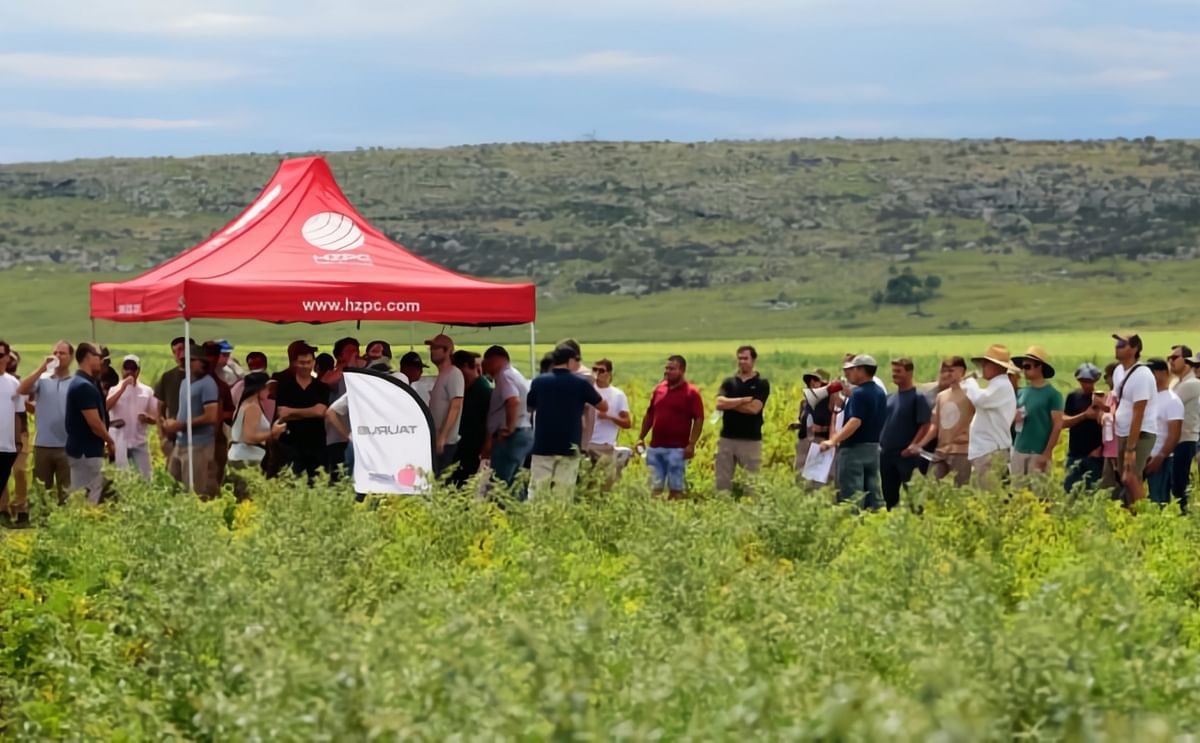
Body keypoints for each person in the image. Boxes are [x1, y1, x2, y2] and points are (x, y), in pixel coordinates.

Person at [527, 344, 607, 497]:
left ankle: (535, 519)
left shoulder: (539, 382)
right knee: (563, 491)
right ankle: (559, 520)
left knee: (537, 490)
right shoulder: (581, 383)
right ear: (570, 361)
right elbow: (603, 406)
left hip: (543, 444)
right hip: (569, 445)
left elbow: (530, 407)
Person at [820, 354, 887, 509]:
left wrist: (833, 440)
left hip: (854, 449)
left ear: (862, 371)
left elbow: (855, 421)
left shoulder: (859, 393)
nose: (850, 373)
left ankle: (852, 526)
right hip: (874, 448)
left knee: (852, 495)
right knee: (873, 493)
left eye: (854, 369)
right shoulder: (879, 392)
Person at [636, 355, 704, 500]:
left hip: (678, 449)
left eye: (672, 369)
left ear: (682, 370)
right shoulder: (659, 389)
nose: (667, 371)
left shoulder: (691, 392)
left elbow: (698, 419)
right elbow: (650, 414)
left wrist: (691, 444)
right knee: (654, 488)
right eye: (666, 368)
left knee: (676, 489)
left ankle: (676, 516)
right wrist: (641, 437)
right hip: (655, 448)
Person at [17, 340, 74, 503]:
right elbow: (22, 389)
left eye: (62, 353)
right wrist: (43, 367)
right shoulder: (42, 380)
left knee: (67, 493)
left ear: (71, 358)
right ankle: (42, 524)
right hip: (43, 445)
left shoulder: (75, 383)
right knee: (42, 493)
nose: (57, 356)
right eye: (55, 352)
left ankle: (66, 525)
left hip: (67, 446)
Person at [162, 344, 221, 498]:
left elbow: (211, 416)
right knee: (171, 484)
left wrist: (180, 425)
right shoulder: (184, 383)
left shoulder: (208, 384)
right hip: (181, 443)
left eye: (191, 360)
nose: (186, 363)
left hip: (198, 445)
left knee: (194, 490)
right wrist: (172, 423)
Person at [878, 357, 933, 510]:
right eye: (893, 371)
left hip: (906, 456)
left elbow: (925, 424)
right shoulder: (890, 398)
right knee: (889, 495)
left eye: (898, 371)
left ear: (909, 372)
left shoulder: (918, 397)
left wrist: (913, 445)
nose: (894, 375)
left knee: (914, 496)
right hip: (886, 455)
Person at [714, 345, 771, 493]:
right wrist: (742, 400)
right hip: (727, 438)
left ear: (753, 360)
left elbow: (754, 409)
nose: (742, 362)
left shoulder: (761, 383)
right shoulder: (728, 382)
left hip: (750, 439)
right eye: (739, 358)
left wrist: (730, 404)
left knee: (751, 482)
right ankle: (724, 506)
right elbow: (719, 403)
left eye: (745, 358)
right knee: (722, 480)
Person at [961, 344, 1018, 487]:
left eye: (985, 364)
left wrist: (970, 382)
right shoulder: (997, 385)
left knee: (990, 494)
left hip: (991, 450)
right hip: (987, 449)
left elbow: (980, 400)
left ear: (995, 366)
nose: (982, 367)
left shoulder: (1001, 385)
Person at [64, 343, 114, 505]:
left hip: (85, 450)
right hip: (85, 451)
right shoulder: (83, 386)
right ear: (88, 357)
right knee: (88, 495)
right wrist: (110, 441)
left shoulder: (86, 383)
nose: (101, 361)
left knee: (85, 493)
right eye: (99, 357)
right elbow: (94, 423)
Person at [274, 340, 330, 484]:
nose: (305, 366)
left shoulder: (321, 387)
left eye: (308, 362)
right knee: (292, 483)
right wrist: (309, 411)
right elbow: (281, 413)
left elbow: (320, 411)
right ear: (294, 363)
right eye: (301, 362)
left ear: (313, 362)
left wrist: (292, 412)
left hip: (317, 445)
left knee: (317, 483)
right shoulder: (284, 386)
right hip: (290, 444)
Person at [1112, 333, 1158, 505]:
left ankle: (1144, 516)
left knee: (1131, 477)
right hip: (1122, 432)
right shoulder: (1118, 371)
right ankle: (1130, 516)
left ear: (1134, 349)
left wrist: (1131, 448)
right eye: (1117, 344)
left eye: (1122, 344)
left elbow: (1138, 413)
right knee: (1123, 478)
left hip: (1140, 434)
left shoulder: (1142, 375)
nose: (1117, 347)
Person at [915, 357, 974, 486]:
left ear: (962, 372)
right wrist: (919, 444)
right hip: (941, 450)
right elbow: (934, 426)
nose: (947, 374)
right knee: (932, 485)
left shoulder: (971, 394)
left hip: (962, 451)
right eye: (944, 371)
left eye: (951, 370)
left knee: (960, 490)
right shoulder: (941, 396)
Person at [481, 345, 533, 488]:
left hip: (512, 436)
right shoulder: (515, 374)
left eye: (485, 362)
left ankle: (504, 510)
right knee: (515, 483)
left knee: (502, 483)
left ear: (494, 360)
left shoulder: (504, 375)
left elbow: (512, 401)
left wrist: (509, 428)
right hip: (523, 431)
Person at [227, 372, 287, 497]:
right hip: (247, 459)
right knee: (247, 498)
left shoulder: (243, 404)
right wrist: (273, 432)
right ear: (259, 388)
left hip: (240, 456)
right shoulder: (253, 407)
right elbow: (249, 437)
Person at [1009, 346, 1065, 477]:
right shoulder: (1021, 393)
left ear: (1039, 367)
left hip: (1038, 452)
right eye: (1023, 367)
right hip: (1019, 449)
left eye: (1027, 367)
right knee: (1017, 492)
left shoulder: (1053, 394)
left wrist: (1047, 453)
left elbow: (1057, 426)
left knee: (1039, 494)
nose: (1024, 371)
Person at [104, 354, 158, 480]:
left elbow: (155, 417)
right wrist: (123, 387)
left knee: (146, 477)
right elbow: (106, 407)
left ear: (138, 371)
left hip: (139, 441)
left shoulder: (147, 391)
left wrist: (147, 418)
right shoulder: (114, 389)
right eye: (126, 368)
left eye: (132, 369)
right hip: (119, 441)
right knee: (122, 476)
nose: (129, 372)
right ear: (122, 369)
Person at [587, 358, 632, 485]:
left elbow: (627, 422)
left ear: (610, 374)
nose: (597, 373)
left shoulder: (618, 395)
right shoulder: (587, 391)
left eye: (601, 370)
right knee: (586, 482)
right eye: (594, 369)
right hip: (586, 444)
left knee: (604, 483)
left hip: (604, 445)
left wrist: (609, 417)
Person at [425, 334, 465, 476]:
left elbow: (456, 405)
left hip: (446, 442)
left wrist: (443, 436)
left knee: (441, 480)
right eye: (431, 348)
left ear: (447, 351)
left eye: (436, 348)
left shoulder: (454, 374)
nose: (432, 351)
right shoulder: (442, 375)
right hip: (438, 439)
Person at [321, 337, 360, 481]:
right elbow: (326, 382)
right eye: (349, 351)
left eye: (356, 350)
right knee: (338, 478)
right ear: (338, 355)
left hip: (355, 435)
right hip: (336, 437)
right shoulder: (333, 374)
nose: (354, 353)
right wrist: (347, 365)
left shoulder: (356, 373)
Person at [1145, 358, 1183, 507]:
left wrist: (1160, 457)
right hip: (1144, 456)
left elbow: (1174, 435)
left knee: (1158, 500)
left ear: (1162, 373)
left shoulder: (1172, 400)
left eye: (1151, 372)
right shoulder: (1150, 398)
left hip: (1160, 458)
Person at [451, 350, 492, 485]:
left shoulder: (483, 390)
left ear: (464, 367)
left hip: (475, 449)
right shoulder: (463, 389)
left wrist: (486, 448)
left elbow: (490, 423)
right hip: (461, 447)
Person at [1062, 363, 1105, 493]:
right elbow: (1063, 422)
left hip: (1095, 455)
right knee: (1070, 491)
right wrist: (1084, 416)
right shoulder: (1073, 397)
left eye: (1089, 381)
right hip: (1074, 453)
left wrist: (1101, 448)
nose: (1086, 384)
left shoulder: (1102, 399)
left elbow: (1109, 427)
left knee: (1093, 491)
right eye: (1083, 381)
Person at [1, 350, 30, 528]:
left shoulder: (17, 382)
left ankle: (21, 508)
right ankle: (3, 509)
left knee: (20, 471)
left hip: (20, 433)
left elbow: (22, 411)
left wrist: (20, 436)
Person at [1168, 346, 1200, 511]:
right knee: (1175, 481)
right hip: (1174, 438)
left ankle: (1184, 514)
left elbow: (1168, 405)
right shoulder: (1175, 382)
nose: (1170, 361)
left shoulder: (1192, 384)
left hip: (1185, 438)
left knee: (1180, 483)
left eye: (1174, 358)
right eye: (1169, 358)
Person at [791, 369, 832, 475]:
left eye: (815, 380)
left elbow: (837, 425)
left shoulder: (831, 402)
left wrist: (822, 428)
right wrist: (799, 425)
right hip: (804, 442)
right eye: (810, 380)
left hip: (821, 443)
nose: (812, 383)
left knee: (816, 479)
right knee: (800, 476)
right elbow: (805, 420)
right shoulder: (805, 402)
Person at [153, 337, 188, 461]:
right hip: (173, 439)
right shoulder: (167, 378)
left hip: (197, 438)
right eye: (175, 352)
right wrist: (162, 437)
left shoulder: (202, 377)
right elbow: (159, 410)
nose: (179, 355)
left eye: (181, 349)